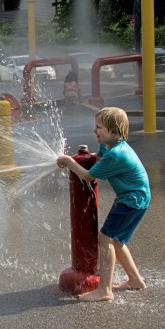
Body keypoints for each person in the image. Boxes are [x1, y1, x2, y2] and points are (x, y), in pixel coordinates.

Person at [56, 107, 149, 302]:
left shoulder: (117, 153)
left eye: (99, 128)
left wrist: (69, 161)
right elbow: (97, 160)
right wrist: (86, 156)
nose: (94, 131)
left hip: (132, 200)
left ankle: (105, 290)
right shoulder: (108, 146)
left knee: (105, 238)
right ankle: (135, 280)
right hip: (133, 197)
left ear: (114, 131)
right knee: (116, 240)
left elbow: (89, 176)